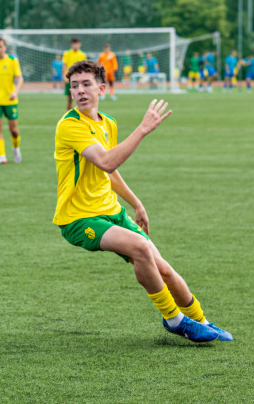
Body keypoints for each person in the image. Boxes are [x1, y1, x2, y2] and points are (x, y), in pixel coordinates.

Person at [54, 59, 232, 343]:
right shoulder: (69, 125)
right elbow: (107, 162)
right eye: (74, 86)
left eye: (86, 84)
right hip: (78, 218)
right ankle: (174, 320)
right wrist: (142, 129)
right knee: (140, 248)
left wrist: (137, 204)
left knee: (163, 267)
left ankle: (202, 320)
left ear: (101, 88)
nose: (80, 91)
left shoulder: (107, 123)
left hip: (111, 212)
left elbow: (108, 174)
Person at [0, 37, 23, 164]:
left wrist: (15, 92)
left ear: (5, 47)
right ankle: (2, 156)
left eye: (0, 46)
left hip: (10, 101)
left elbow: (20, 78)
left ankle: (16, 148)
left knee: (13, 130)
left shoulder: (13, 61)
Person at [62, 37, 87, 110]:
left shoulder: (82, 54)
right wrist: (64, 76)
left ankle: (81, 115)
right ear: (71, 45)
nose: (75, 46)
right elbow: (64, 65)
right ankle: (68, 116)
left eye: (77, 44)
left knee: (81, 98)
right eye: (74, 44)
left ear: (80, 44)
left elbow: (84, 67)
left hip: (80, 79)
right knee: (69, 99)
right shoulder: (67, 53)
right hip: (70, 78)